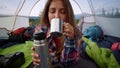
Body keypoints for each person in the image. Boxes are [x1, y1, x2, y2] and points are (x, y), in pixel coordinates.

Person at [31, 0, 98, 68]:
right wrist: (37, 58)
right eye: (52, 11)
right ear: (47, 13)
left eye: (63, 12)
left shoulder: (76, 32)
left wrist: (71, 39)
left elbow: (69, 63)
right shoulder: (41, 32)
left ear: (68, 14)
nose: (57, 16)